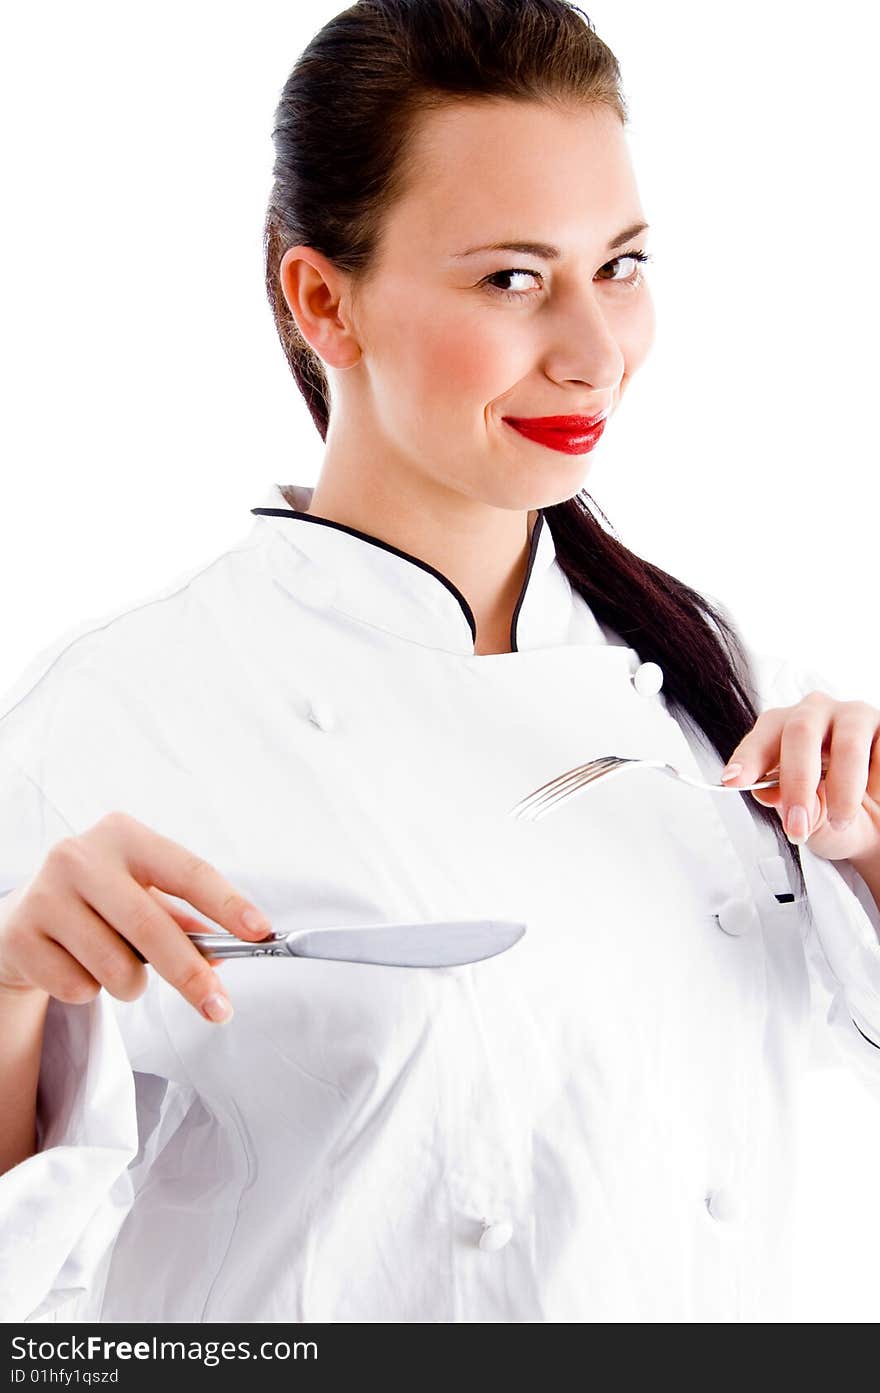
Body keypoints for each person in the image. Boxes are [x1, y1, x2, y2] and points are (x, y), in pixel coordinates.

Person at [1, 0, 879, 1324]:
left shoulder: (727, 673)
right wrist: (13, 996)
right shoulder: (127, 713)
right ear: (321, 297)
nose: (594, 353)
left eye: (623, 265)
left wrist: (869, 850)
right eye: (511, 279)